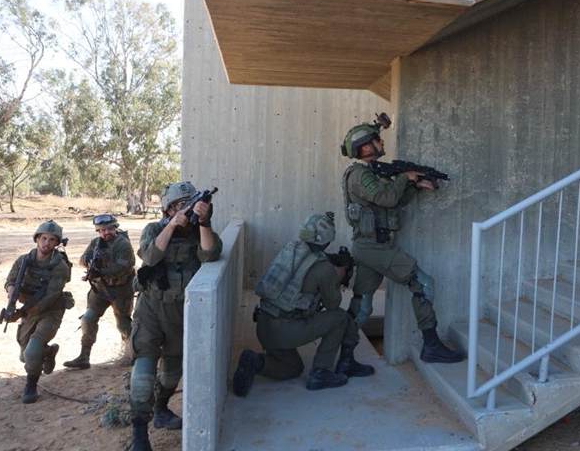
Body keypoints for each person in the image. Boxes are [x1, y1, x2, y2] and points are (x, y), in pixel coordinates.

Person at [340, 119, 464, 364]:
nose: (382, 141)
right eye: (376, 139)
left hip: (369, 247)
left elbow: (394, 202)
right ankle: (431, 345)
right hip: (375, 247)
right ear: (364, 147)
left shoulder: (370, 174)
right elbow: (385, 198)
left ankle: (344, 360)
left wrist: (415, 185)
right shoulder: (359, 174)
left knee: (362, 305)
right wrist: (404, 177)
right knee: (424, 284)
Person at [232, 212, 374, 398]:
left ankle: (256, 362)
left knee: (293, 368)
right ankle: (321, 373)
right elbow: (333, 304)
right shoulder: (324, 269)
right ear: (327, 239)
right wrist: (336, 278)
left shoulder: (291, 250)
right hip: (286, 331)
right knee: (340, 318)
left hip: (264, 326)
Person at [128, 182, 222, 451]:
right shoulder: (155, 229)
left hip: (181, 315)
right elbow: (149, 255)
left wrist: (205, 221)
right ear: (168, 209)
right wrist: (171, 225)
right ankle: (139, 434)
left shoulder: (201, 232)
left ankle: (161, 409)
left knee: (171, 374)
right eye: (180, 205)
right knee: (144, 373)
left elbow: (211, 255)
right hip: (150, 310)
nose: (186, 209)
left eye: (189, 204)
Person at [3, 220, 73, 403]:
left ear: (56, 243)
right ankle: (48, 351)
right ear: (36, 239)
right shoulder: (24, 260)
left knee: (32, 353)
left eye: (51, 240)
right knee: (24, 356)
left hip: (51, 311)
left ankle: (31, 386)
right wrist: (11, 301)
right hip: (28, 311)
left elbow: (50, 297)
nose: (46, 243)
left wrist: (20, 313)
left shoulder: (60, 266)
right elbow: (10, 282)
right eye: (43, 238)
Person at [64, 214, 135, 370]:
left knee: (123, 323)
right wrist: (88, 260)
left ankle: (132, 353)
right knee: (88, 319)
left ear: (115, 228)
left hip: (120, 289)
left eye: (109, 229)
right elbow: (82, 259)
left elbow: (121, 268)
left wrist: (100, 272)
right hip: (100, 288)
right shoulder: (96, 243)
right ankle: (84, 356)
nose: (106, 233)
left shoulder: (123, 244)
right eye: (102, 230)